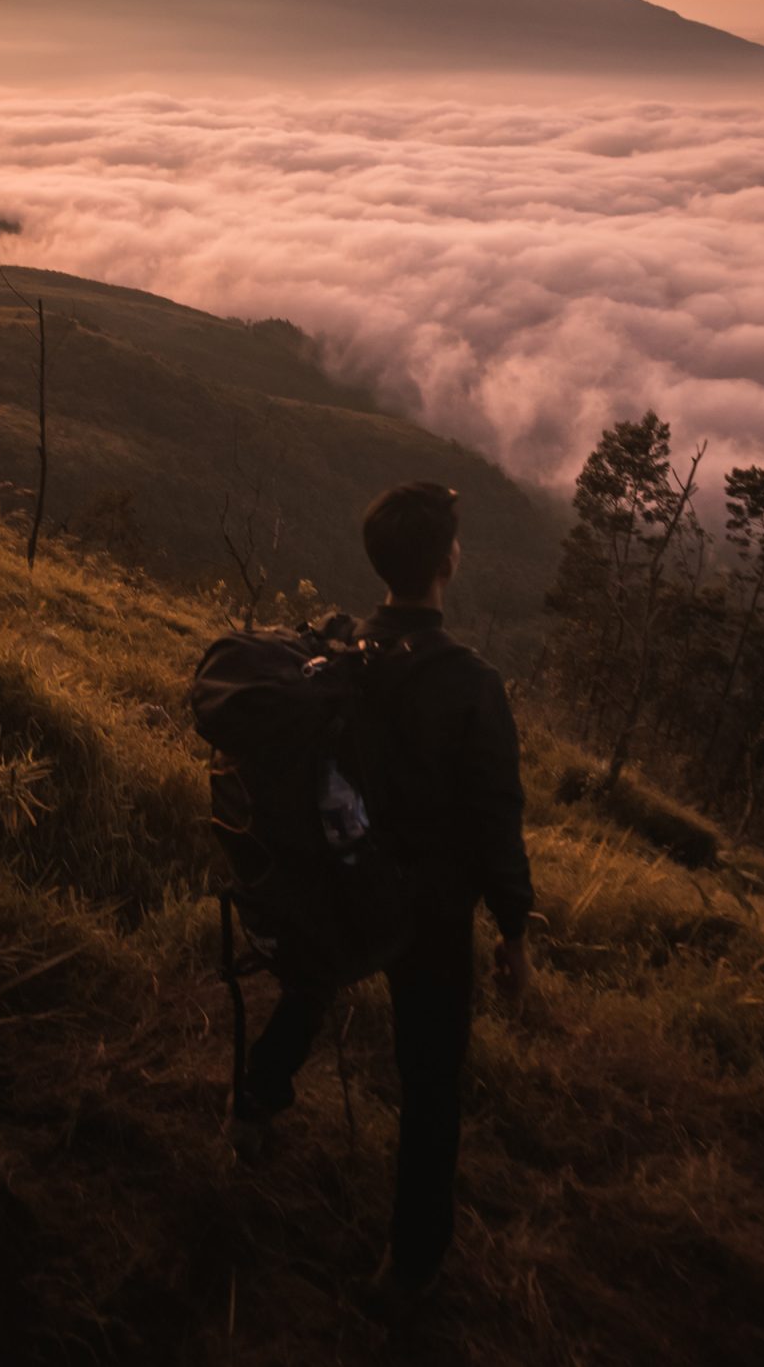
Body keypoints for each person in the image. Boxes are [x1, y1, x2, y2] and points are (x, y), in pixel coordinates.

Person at [238, 481, 534, 1306]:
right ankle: (411, 1265)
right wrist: (514, 928)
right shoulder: (470, 682)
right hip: (432, 914)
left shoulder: (341, 656)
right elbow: (495, 815)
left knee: (313, 978)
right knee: (432, 1081)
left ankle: (256, 1100)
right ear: (446, 564)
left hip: (347, 883)